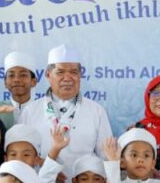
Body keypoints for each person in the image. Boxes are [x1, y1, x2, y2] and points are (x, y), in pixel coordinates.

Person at [17, 44, 114, 174]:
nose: (67, 78)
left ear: (80, 75)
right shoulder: (30, 111)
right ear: (48, 75)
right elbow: (18, 156)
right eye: (60, 72)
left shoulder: (96, 111)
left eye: (73, 72)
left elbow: (106, 157)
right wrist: (44, 165)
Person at [0, 51, 38, 129]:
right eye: (11, 75)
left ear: (33, 82)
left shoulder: (43, 110)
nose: (16, 79)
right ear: (5, 83)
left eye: (23, 75)